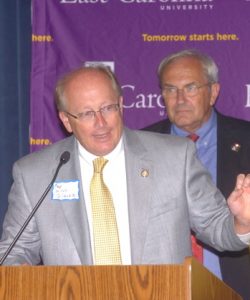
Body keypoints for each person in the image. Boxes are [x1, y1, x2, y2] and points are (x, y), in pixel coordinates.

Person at [0, 65, 250, 276]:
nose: (101, 123)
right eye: (87, 113)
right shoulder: (35, 174)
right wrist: (18, 275)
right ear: (66, 120)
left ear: (121, 104)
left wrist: (242, 221)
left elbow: (216, 227)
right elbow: (14, 251)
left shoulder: (175, 157)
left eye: (108, 108)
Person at [143, 49, 250, 299]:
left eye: (190, 87)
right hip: (161, 288)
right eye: (170, 89)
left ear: (213, 92)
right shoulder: (140, 147)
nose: (180, 98)